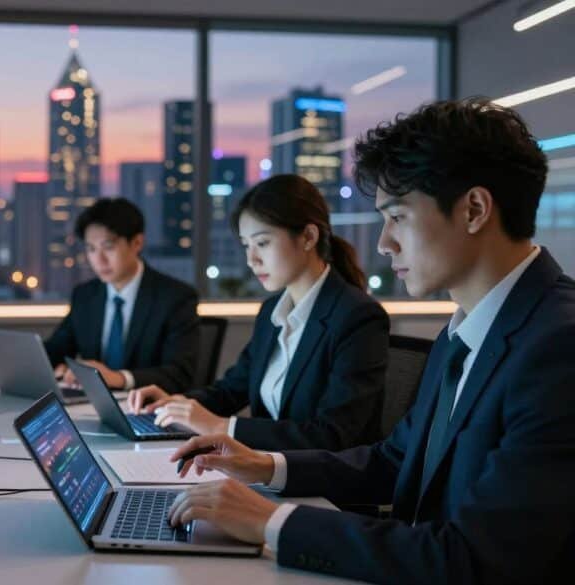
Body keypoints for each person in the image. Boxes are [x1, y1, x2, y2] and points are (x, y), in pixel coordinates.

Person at [167, 98, 574, 583]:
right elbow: (394, 460)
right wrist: (264, 465)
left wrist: (268, 521)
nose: (384, 243)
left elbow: (474, 559)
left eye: (397, 217)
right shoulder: (465, 329)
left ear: (474, 209)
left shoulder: (558, 347)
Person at [127, 174, 389, 451]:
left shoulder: (357, 317)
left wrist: (220, 427)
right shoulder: (271, 312)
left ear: (308, 237)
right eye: (246, 245)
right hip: (262, 470)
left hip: (320, 486)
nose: (252, 260)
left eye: (262, 243)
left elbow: (333, 434)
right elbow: (231, 390)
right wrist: (175, 402)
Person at [43, 197, 200, 392]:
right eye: (91, 249)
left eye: (108, 247)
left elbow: (180, 374)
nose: (98, 259)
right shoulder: (85, 295)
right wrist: (54, 369)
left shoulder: (175, 298)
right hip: (90, 408)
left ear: (136, 243)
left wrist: (118, 378)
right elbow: (55, 350)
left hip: (148, 410)